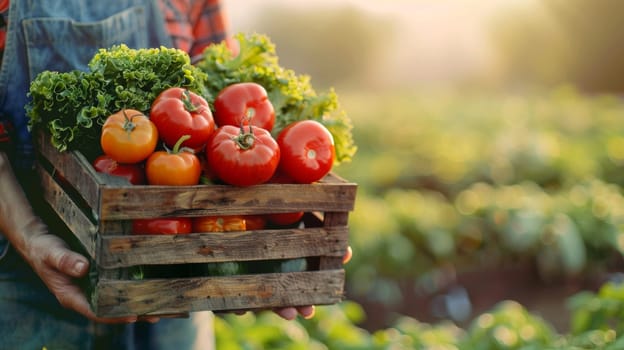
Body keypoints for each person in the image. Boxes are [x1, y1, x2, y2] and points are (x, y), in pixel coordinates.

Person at [0, 1, 315, 349]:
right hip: (20, 278)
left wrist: (241, 251)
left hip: (175, 279)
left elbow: (218, 85)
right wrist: (27, 234)